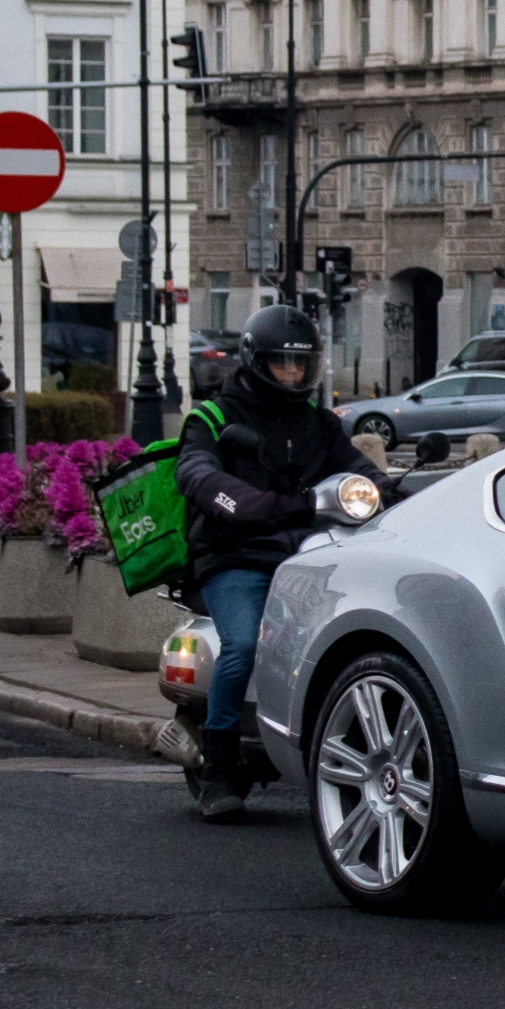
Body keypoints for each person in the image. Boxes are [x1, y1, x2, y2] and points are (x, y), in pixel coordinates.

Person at [175, 303, 386, 823]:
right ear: (254, 361)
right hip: (235, 556)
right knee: (244, 644)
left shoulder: (318, 423)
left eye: (300, 365)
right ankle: (218, 769)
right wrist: (246, 502)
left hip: (306, 555)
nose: (291, 374)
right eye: (281, 364)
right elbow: (197, 473)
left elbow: (360, 470)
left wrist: (389, 489)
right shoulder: (215, 417)